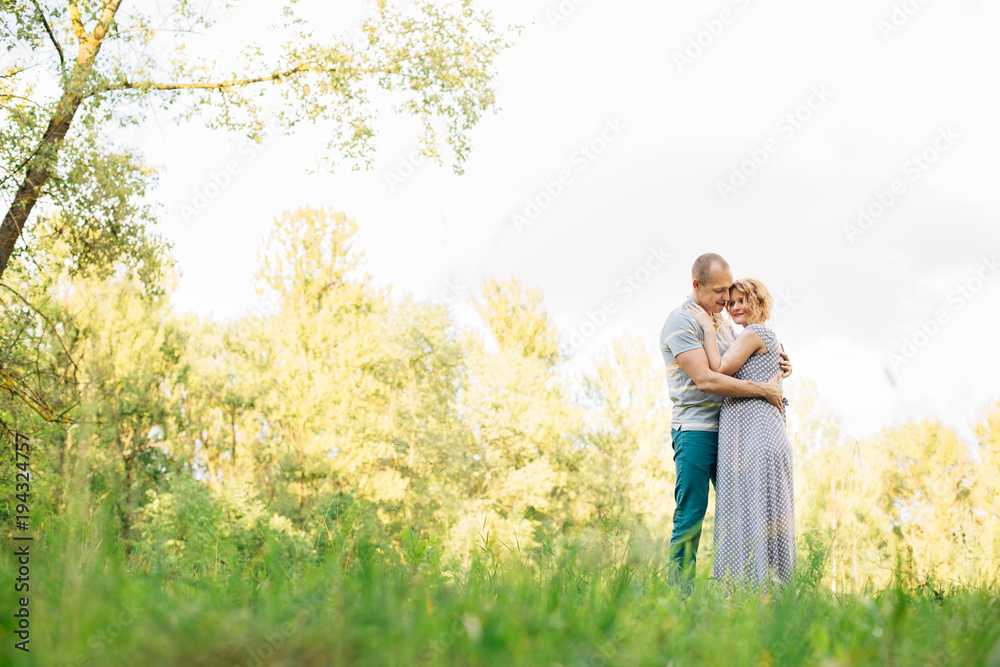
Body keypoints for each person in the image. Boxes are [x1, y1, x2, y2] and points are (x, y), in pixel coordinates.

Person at [659, 253, 791, 591]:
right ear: (696, 285)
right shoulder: (681, 322)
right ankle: (679, 598)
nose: (725, 298)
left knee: (741, 513)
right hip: (696, 432)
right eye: (719, 292)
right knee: (691, 516)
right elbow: (707, 380)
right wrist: (763, 389)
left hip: (734, 434)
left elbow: (745, 359)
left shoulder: (725, 324)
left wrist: (779, 362)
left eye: (728, 292)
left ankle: (745, 593)